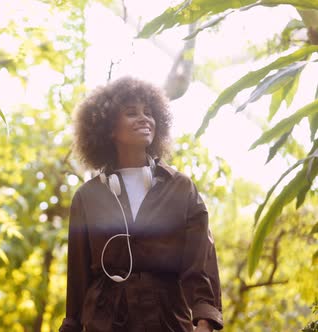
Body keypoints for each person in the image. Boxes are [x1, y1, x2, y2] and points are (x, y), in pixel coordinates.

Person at [59, 77, 223, 332]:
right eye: (131, 113)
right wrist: (72, 325)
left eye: (149, 112)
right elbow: (78, 276)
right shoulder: (87, 197)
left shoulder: (181, 188)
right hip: (104, 323)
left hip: (167, 320)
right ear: (109, 128)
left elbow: (200, 260)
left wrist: (205, 319)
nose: (144, 119)